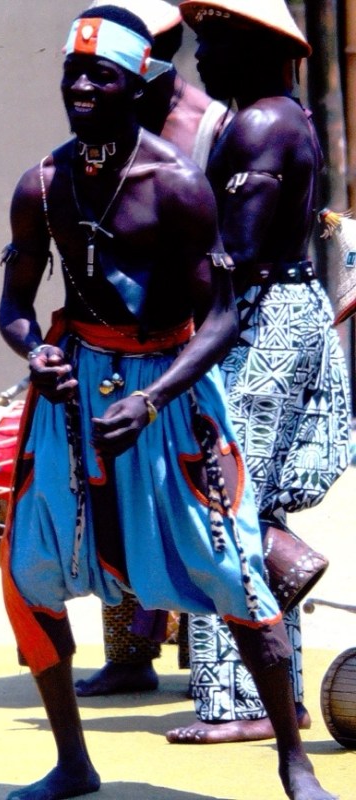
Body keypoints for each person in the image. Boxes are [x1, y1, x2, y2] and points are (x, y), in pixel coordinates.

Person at [0, 6, 333, 800]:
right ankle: (74, 763)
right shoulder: (41, 185)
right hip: (74, 392)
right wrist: (34, 351)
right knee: (32, 569)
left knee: (233, 568)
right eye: (71, 73)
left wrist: (152, 400)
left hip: (170, 393)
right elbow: (13, 303)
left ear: (139, 82)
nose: (81, 86)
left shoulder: (178, 187)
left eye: (100, 75)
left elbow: (220, 317)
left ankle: (293, 759)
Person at [165, 0, 351, 745]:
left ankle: (244, 703)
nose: (199, 58)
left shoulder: (261, 125)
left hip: (258, 317)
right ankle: (275, 697)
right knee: (237, 495)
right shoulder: (274, 118)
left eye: (213, 41)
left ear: (255, 46)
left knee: (228, 496)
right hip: (274, 308)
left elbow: (231, 257)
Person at [76, 0, 233, 699]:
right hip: (116, 343)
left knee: (196, 502)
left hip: (196, 331)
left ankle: (211, 667)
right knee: (112, 492)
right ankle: (133, 649)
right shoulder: (102, 122)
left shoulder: (208, 125)